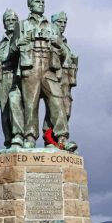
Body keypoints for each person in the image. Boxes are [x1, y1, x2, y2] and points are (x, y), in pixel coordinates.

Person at [10, 0, 76, 150]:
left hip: (49, 69)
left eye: (42, 1)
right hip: (30, 67)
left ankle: (61, 138)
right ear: (30, 5)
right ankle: (30, 137)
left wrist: (58, 44)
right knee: (30, 104)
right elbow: (11, 51)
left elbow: (66, 54)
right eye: (38, 1)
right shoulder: (23, 25)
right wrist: (20, 42)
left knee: (57, 101)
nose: (41, 4)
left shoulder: (53, 27)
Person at [43, 12, 78, 147]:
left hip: (66, 80)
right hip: (52, 76)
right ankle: (51, 139)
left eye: (64, 22)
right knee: (55, 109)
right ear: (53, 23)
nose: (62, 25)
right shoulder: (50, 38)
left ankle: (55, 140)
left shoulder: (64, 42)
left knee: (66, 110)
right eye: (59, 22)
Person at [0, 9, 24, 148]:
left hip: (16, 75)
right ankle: (9, 139)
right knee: (4, 111)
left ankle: (19, 136)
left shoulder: (20, 38)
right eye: (7, 20)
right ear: (4, 24)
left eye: (13, 20)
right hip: (2, 78)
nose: (10, 23)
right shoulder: (0, 44)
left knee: (15, 105)